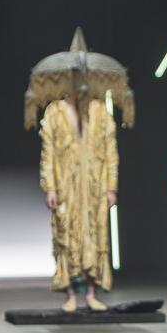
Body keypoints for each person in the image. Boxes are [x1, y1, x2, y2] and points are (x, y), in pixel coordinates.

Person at [40, 96, 118, 312]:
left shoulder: (100, 111)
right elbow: (48, 152)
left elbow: (111, 152)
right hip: (66, 186)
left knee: (94, 235)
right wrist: (50, 187)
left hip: (95, 186)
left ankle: (91, 294)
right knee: (66, 235)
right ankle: (71, 294)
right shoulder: (54, 112)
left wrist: (111, 186)